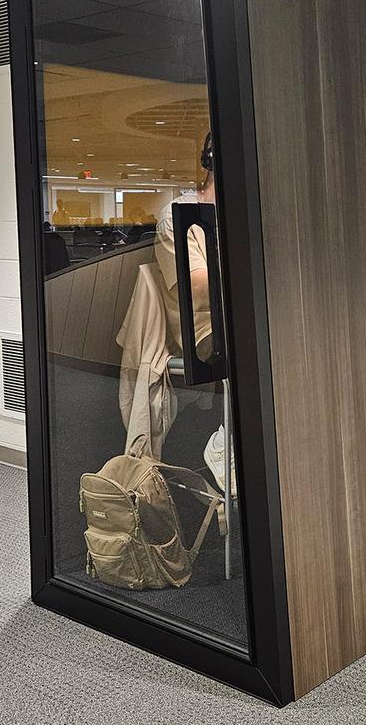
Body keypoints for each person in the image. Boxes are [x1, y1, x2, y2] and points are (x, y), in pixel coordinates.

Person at [155, 131, 236, 496]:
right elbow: (196, 288)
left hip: (238, 320)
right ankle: (228, 443)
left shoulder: (244, 216)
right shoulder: (179, 217)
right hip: (204, 329)